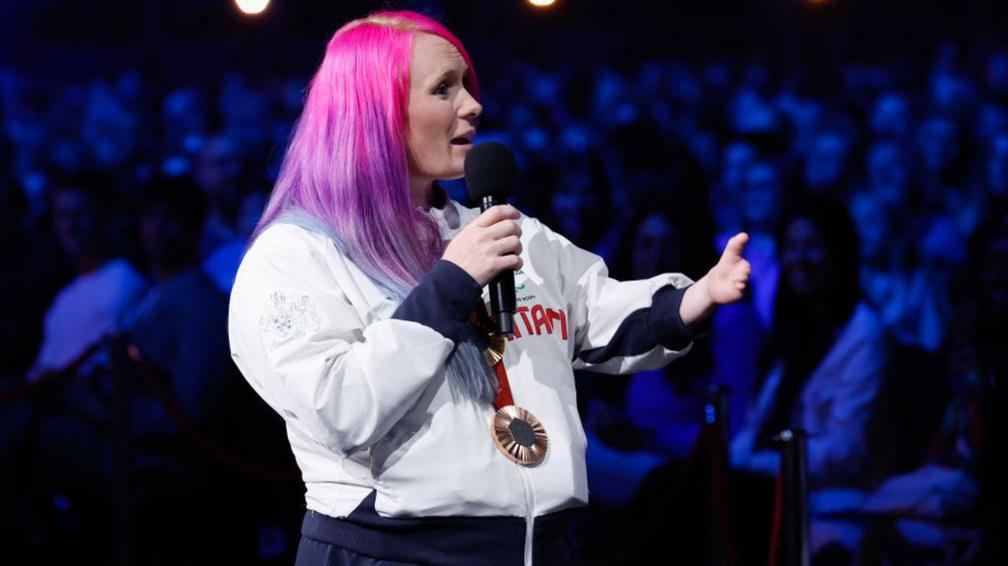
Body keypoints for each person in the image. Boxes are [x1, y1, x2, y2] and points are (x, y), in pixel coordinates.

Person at [227, 10, 752, 565]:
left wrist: (697, 298)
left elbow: (595, 313)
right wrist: (451, 283)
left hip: (539, 547)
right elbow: (342, 409)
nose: (473, 105)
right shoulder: (296, 255)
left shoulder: (500, 229)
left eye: (468, 86)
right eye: (443, 89)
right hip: (395, 554)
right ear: (376, 112)